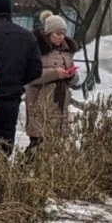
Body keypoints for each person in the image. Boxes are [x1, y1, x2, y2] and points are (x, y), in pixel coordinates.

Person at [0, 0, 43, 155]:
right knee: (2, 148)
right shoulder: (26, 36)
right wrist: (17, 81)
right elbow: (36, 70)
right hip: (10, 100)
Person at [24, 14, 79, 152]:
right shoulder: (37, 50)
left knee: (53, 147)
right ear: (49, 33)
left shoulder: (66, 52)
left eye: (64, 34)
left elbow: (74, 81)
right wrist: (54, 73)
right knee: (37, 146)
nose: (61, 37)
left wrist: (71, 75)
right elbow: (30, 76)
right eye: (58, 33)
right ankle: (22, 170)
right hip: (40, 104)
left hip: (60, 105)